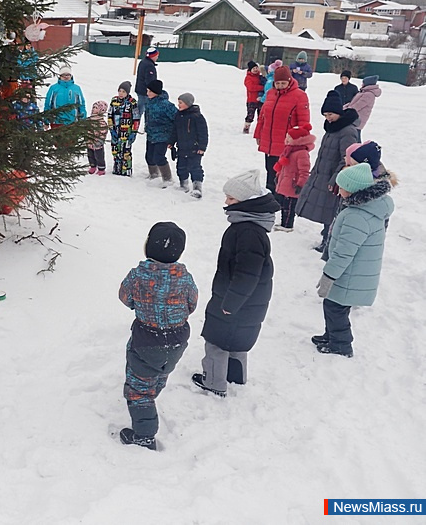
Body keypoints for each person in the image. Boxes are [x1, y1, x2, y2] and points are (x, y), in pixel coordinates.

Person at [192, 170, 280, 397]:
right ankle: (236, 377)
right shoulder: (251, 227)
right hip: (248, 302)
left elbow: (246, 274)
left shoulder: (247, 232)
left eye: (231, 199)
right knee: (238, 341)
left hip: (235, 300)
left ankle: (213, 382)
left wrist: (230, 303)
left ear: (246, 203)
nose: (226, 202)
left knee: (217, 343)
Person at [117, 222, 197, 451]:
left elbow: (125, 297)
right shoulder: (185, 278)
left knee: (139, 389)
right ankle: (155, 388)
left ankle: (144, 435)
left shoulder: (137, 276)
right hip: (177, 339)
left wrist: (142, 305)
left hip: (147, 340)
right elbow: (192, 303)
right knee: (161, 369)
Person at [312, 163, 393, 357]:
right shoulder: (366, 208)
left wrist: (329, 275)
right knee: (335, 307)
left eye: (341, 187)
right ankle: (330, 336)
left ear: (352, 189)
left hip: (349, 273)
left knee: (335, 308)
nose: (339, 191)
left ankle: (341, 345)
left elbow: (344, 252)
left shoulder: (356, 216)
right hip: (353, 272)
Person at [297, 91, 359, 253]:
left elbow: (347, 158)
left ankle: (330, 242)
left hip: (336, 179)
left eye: (330, 114)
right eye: (325, 115)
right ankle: (326, 238)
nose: (328, 118)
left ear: (338, 112)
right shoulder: (332, 128)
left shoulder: (347, 131)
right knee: (327, 211)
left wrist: (336, 178)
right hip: (323, 174)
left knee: (332, 211)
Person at [254, 65, 310, 193]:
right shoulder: (270, 94)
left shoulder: (299, 96)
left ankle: (281, 197)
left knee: (284, 172)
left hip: (287, 143)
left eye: (283, 83)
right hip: (269, 139)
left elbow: (304, 121)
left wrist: (300, 141)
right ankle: (270, 193)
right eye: (277, 83)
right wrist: (258, 134)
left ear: (289, 81)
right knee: (270, 169)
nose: (280, 86)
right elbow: (262, 117)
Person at [272, 124, 315, 232]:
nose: (286, 139)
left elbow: (304, 171)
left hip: (293, 184)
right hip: (286, 181)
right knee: (284, 205)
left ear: (297, 140)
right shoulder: (288, 150)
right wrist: (278, 176)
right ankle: (284, 223)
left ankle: (287, 225)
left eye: (289, 137)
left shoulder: (302, 153)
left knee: (289, 207)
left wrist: (300, 184)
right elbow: (283, 166)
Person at [171, 92, 207, 198]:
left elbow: (203, 133)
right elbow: (175, 131)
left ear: (188, 103)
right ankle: (184, 184)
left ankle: (197, 187)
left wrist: (202, 147)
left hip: (194, 149)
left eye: (181, 103)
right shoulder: (178, 116)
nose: (178, 105)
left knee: (195, 167)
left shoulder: (197, 117)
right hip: (182, 147)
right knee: (181, 167)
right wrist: (171, 142)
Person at [143, 79, 177, 187]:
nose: (147, 93)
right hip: (151, 134)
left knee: (159, 156)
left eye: (150, 91)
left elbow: (176, 118)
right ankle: (153, 174)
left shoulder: (166, 105)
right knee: (149, 156)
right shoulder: (149, 102)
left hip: (163, 135)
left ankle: (167, 178)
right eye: (147, 91)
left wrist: (173, 135)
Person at [108, 81, 139, 176]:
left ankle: (126, 169)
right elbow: (110, 115)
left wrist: (134, 132)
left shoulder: (132, 103)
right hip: (116, 130)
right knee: (115, 149)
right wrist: (111, 128)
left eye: (123, 92)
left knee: (126, 151)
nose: (121, 93)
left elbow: (136, 118)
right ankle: (117, 167)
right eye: (120, 91)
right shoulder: (114, 101)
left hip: (127, 131)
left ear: (128, 93)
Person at [135, 46, 159, 122]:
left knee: (140, 109)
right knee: (143, 110)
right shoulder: (149, 66)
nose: (157, 58)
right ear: (153, 56)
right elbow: (150, 81)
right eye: (157, 56)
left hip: (140, 90)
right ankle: (136, 126)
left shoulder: (143, 62)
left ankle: (135, 125)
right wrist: (153, 91)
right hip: (145, 92)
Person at [86, 101, 109, 175]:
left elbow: (104, 130)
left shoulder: (101, 121)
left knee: (99, 156)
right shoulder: (89, 119)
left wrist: (99, 137)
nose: (93, 109)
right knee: (90, 154)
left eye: (96, 108)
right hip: (89, 141)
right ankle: (93, 165)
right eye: (93, 107)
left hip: (97, 142)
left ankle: (101, 168)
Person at [243, 61, 265, 134]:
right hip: (251, 100)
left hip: (261, 100)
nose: (255, 69)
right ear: (250, 70)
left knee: (261, 116)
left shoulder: (260, 77)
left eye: (256, 68)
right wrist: (262, 88)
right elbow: (251, 88)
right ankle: (246, 127)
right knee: (250, 115)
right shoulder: (248, 78)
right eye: (253, 68)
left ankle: (260, 129)